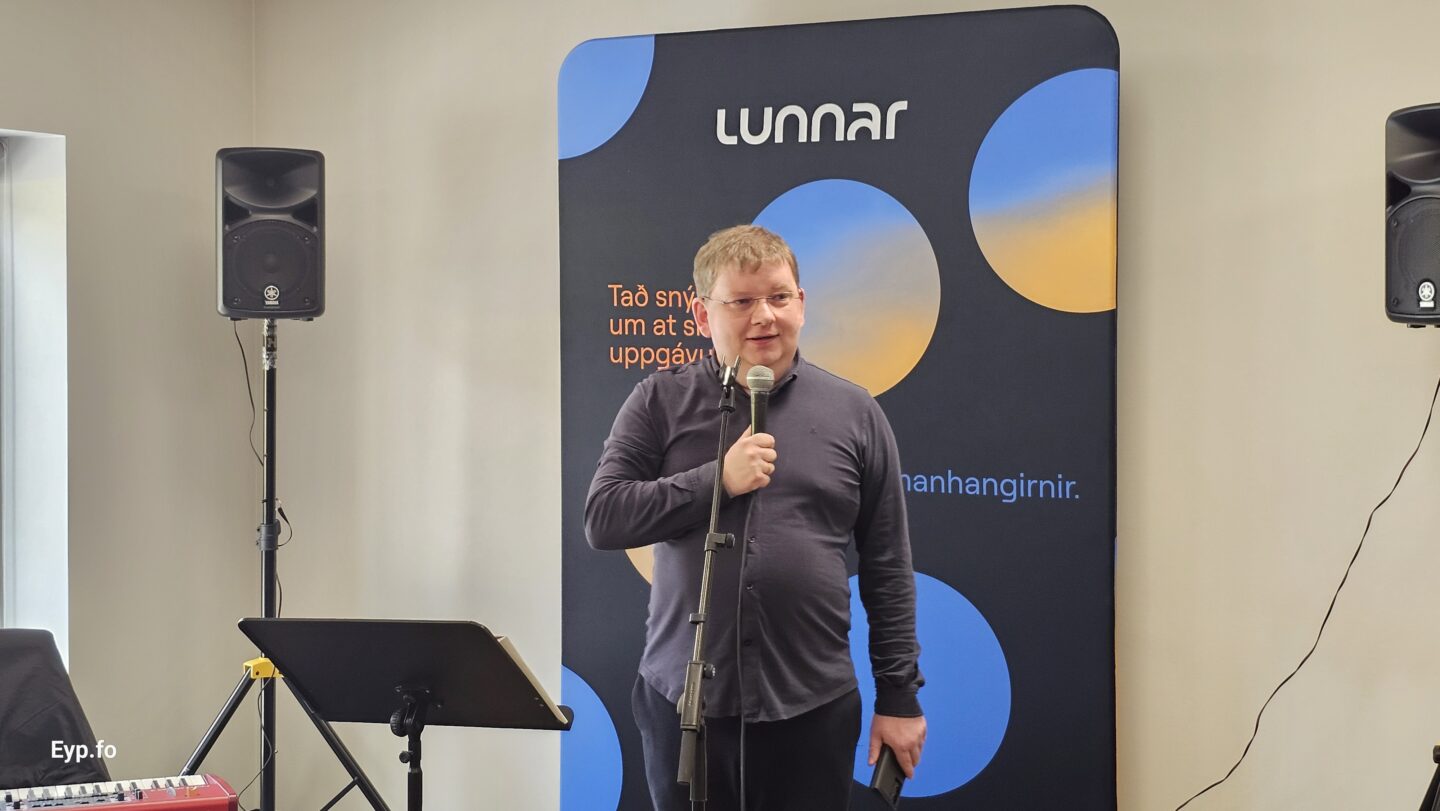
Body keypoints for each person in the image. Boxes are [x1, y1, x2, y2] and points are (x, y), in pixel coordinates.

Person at [585, 225, 925, 810]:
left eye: (779, 297)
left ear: (802, 304)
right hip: (685, 705)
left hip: (812, 704)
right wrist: (716, 480)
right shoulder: (658, 401)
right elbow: (604, 517)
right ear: (702, 314)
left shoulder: (855, 413)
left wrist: (899, 697)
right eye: (741, 301)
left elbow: (887, 566)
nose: (764, 316)